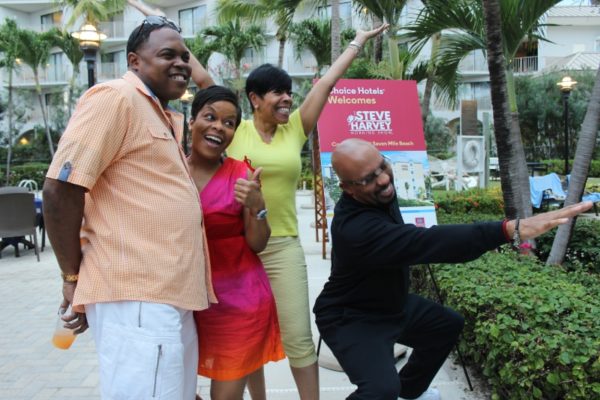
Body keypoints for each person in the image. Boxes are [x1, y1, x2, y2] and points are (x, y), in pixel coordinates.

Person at [313, 138, 592, 400]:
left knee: (445, 325)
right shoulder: (355, 230)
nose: (384, 179)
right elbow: (427, 242)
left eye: (382, 166)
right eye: (368, 179)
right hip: (351, 316)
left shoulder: (379, 195)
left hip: (390, 304)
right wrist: (508, 230)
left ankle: (409, 392)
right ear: (348, 188)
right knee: (380, 389)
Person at [43, 17, 216, 399]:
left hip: (167, 296)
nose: (182, 64)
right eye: (167, 54)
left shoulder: (159, 113)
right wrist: (72, 279)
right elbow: (60, 188)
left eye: (185, 56)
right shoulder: (115, 98)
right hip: (138, 298)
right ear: (135, 61)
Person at [217, 24, 388, 399]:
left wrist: (357, 41)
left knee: (297, 336)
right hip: (239, 249)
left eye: (289, 93)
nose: (287, 99)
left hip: (283, 248)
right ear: (255, 98)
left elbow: (325, 84)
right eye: (278, 92)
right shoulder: (235, 131)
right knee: (247, 337)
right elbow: (201, 82)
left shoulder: (294, 129)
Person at [187, 85, 285, 400]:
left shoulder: (241, 174)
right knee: (173, 388)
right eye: (210, 117)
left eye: (229, 123)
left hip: (239, 303)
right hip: (185, 303)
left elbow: (257, 244)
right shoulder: (170, 170)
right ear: (192, 121)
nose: (219, 127)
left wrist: (257, 205)